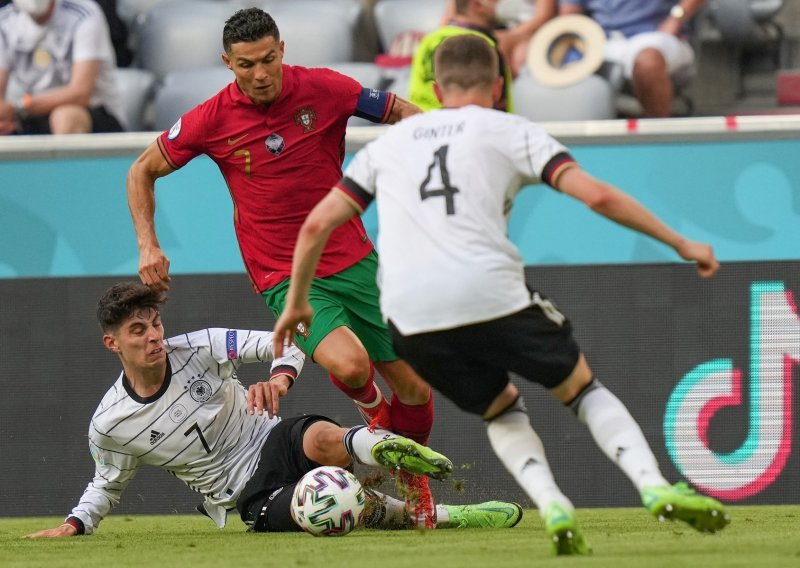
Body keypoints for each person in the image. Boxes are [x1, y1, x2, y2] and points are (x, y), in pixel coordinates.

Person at [274, 34, 731, 555]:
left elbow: (315, 228)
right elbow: (597, 195)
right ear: (497, 86)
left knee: (501, 410)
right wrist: (681, 241)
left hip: (411, 315)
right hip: (491, 292)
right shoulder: (510, 129)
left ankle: (552, 502)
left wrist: (297, 302)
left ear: (437, 87)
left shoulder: (388, 147)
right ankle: (651, 484)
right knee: (581, 390)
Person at [127, 7, 436, 528]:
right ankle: (375, 422)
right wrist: (147, 245)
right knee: (353, 366)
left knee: (416, 390)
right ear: (228, 63)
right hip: (284, 274)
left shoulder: (327, 89)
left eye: (268, 59)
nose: (261, 73)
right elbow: (142, 170)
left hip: (355, 259)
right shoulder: (211, 118)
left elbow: (408, 115)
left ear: (283, 50)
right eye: (247, 64)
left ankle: (411, 475)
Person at [25, 282, 524, 538]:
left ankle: (385, 447)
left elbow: (289, 341)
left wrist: (280, 377)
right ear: (112, 343)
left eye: (155, 323)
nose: (154, 336)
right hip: (245, 493)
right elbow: (106, 483)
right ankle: (436, 515)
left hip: (270, 437)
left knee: (322, 437)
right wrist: (74, 525)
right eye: (139, 331)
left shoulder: (201, 346)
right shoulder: (110, 423)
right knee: (331, 507)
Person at [559, 0, 706, 117]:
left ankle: (660, 141)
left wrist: (676, 19)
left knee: (648, 61)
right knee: (560, 68)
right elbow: (570, 15)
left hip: (655, 34)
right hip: (602, 40)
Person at [0, 0, 125, 135]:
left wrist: (19, 108)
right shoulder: (5, 20)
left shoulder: (84, 14)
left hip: (95, 114)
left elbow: (80, 93)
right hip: (31, 116)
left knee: (64, 116)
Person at [410, 0, 550, 112]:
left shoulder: (428, 39)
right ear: (477, 5)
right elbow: (497, 109)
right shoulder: (485, 46)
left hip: (421, 130)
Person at [442, 0, 556, 76]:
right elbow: (451, 16)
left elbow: (543, 16)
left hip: (530, 34)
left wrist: (509, 36)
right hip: (493, 31)